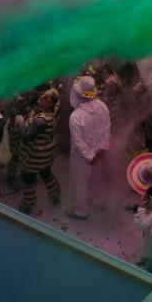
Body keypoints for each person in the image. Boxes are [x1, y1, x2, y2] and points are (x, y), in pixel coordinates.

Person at [66, 76, 111, 220]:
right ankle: (99, 202)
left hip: (81, 157)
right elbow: (107, 129)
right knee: (98, 178)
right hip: (100, 152)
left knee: (81, 182)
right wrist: (102, 149)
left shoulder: (75, 116)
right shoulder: (102, 106)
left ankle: (81, 211)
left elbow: (78, 141)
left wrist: (89, 156)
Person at [15, 88, 61, 216]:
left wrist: (20, 123)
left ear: (51, 104)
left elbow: (26, 136)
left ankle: (28, 205)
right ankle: (55, 197)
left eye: (46, 98)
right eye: (43, 94)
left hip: (34, 157)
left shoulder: (42, 121)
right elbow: (31, 117)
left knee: (28, 180)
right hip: (46, 155)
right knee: (47, 174)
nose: (41, 97)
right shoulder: (46, 114)